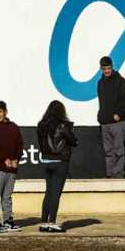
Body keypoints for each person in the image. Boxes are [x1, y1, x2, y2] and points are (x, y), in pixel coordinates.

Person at [36, 100, 77, 233]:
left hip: (46, 161)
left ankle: (43, 222)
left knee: (48, 192)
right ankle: (52, 222)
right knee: (56, 193)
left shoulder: (41, 125)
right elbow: (73, 141)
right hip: (60, 162)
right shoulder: (64, 125)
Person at [0, 100, 23, 233]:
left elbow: (20, 146)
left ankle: (8, 221)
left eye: (0, 112)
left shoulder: (15, 127)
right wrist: (4, 159)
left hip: (12, 168)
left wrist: (16, 159)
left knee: (7, 196)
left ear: (5, 111)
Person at [96, 55, 125, 177]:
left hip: (117, 123)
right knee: (108, 152)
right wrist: (101, 116)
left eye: (108, 68)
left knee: (118, 151)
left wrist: (119, 114)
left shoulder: (120, 81)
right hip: (104, 123)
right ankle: (110, 176)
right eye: (104, 68)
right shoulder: (100, 83)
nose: (107, 71)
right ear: (101, 69)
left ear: (112, 67)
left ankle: (118, 176)